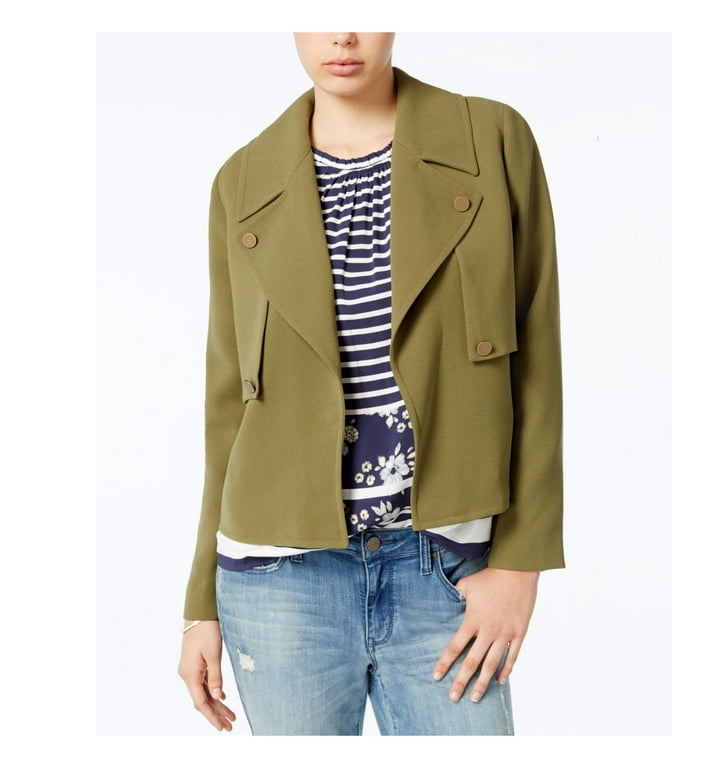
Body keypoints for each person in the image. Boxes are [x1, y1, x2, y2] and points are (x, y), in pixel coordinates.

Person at [178, 32, 564, 736]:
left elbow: (537, 358)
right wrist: (200, 603)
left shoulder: (490, 138)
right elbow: (228, 404)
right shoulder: (242, 181)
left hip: (445, 564)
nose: (343, 34)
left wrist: (520, 564)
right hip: (278, 582)